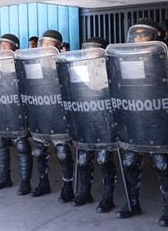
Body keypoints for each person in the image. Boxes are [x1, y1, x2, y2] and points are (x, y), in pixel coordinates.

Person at [114, 19, 168, 227]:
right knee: (130, 162)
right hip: (132, 119)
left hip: (157, 120)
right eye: (136, 35)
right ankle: (132, 203)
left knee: (163, 165)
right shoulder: (120, 61)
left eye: (144, 35)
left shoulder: (167, 60)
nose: (138, 39)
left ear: (154, 38)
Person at [70, 37, 117, 213]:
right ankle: (84, 192)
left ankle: (108, 196)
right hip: (85, 122)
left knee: (104, 159)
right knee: (82, 160)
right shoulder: (78, 70)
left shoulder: (112, 69)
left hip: (105, 123)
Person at [31, 30, 75, 203]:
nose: (46, 46)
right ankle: (43, 183)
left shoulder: (65, 61)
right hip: (41, 113)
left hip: (59, 114)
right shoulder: (33, 62)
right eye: (44, 42)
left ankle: (68, 187)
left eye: (50, 43)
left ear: (58, 45)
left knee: (63, 152)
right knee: (38, 151)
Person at [0, 34, 34, 194]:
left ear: (14, 47)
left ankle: (25, 182)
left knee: (22, 145)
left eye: (5, 46)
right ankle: (4, 177)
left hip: (18, 111)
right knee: (0, 142)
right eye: (0, 46)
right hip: (1, 110)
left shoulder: (22, 63)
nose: (2, 49)